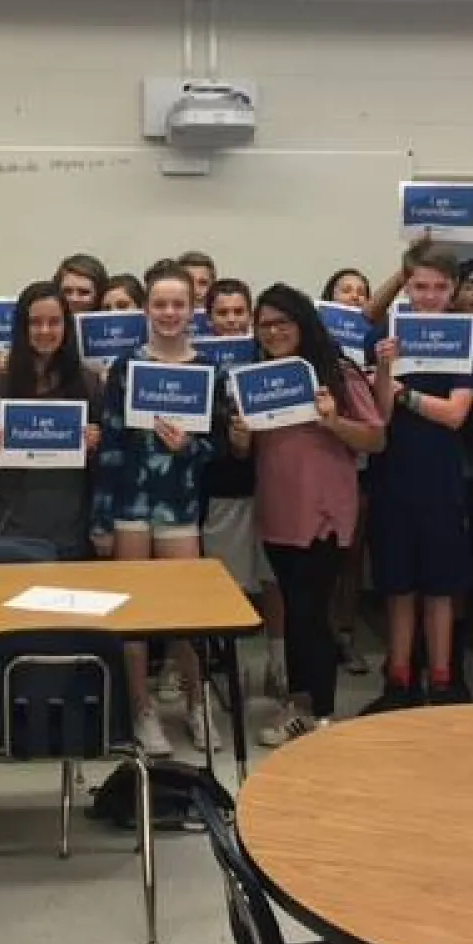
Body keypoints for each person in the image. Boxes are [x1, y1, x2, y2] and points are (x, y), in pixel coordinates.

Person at [238, 284, 383, 739]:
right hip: (278, 512)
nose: (274, 332)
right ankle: (301, 706)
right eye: (266, 325)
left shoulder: (338, 373)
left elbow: (376, 438)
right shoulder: (256, 377)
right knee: (296, 612)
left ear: (303, 323)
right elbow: (249, 448)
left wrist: (333, 421)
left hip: (323, 514)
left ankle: (317, 712)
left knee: (310, 614)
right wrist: (240, 436)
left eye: (283, 322)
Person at [92, 260, 221, 756]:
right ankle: (142, 708)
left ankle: (196, 701)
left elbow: (218, 447)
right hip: (129, 501)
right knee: (135, 613)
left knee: (187, 612)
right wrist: (102, 519)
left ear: (193, 310)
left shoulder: (207, 369)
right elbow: (110, 447)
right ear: (147, 308)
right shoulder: (126, 368)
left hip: (179, 504)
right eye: (160, 303)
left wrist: (188, 445)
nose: (169, 312)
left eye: (178, 304)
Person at [364, 245, 473, 711]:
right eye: (420, 286)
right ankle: (398, 682)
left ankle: (443, 681)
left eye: (439, 287)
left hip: (442, 478)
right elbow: (380, 411)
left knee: (440, 587)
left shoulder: (464, 339)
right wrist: (386, 369)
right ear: (405, 286)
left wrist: (405, 392)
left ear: (452, 290)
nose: (429, 296)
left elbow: (455, 414)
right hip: (393, 473)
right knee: (397, 586)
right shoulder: (387, 337)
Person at [198, 279, 288, 739]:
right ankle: (229, 675)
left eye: (239, 312)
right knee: (230, 591)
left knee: (274, 582)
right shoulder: (198, 367)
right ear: (208, 317)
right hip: (222, 493)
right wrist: (232, 443)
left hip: (273, 490)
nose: (231, 320)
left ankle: (279, 669)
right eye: (223, 313)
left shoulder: (270, 363)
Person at [0, 280, 100, 557]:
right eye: (35, 322)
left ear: (66, 327)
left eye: (54, 322)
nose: (45, 331)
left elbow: (104, 458)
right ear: (22, 327)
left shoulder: (89, 383)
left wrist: (96, 441)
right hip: (13, 527)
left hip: (72, 528)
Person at [319, 267, 374, 675]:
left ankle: (346, 633)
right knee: (319, 555)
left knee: (351, 556)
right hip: (320, 462)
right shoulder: (312, 352)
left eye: (361, 292)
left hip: (360, 462)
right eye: (345, 290)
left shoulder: (374, 347)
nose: (353, 297)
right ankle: (319, 636)